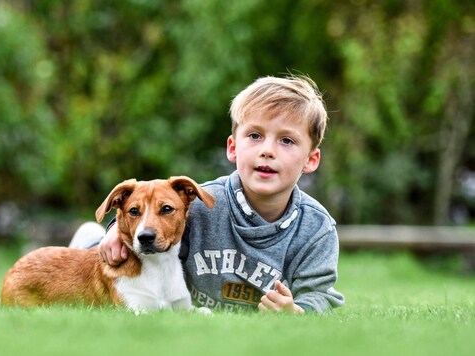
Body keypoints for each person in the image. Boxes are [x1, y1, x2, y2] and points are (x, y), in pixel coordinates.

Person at [72, 75, 345, 313]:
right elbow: (152, 217)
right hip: (160, 287)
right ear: (233, 148)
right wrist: (114, 233)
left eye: (286, 140)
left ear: (311, 159)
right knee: (108, 254)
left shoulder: (317, 229)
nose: (268, 150)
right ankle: (90, 240)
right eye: (255, 136)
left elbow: (320, 294)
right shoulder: (204, 203)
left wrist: (297, 311)